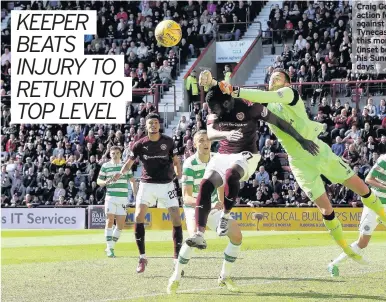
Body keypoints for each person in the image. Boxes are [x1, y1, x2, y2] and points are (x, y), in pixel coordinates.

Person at [213, 68, 386, 263]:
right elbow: (241, 105)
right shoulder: (266, 104)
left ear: (287, 83)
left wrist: (235, 89)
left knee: (362, 189)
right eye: (271, 78)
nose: (273, 79)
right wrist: (220, 88)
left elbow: (260, 94)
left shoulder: (289, 94)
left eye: (278, 77)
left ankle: (385, 218)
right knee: (326, 210)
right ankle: (347, 249)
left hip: (317, 151)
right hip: (298, 162)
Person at [186, 70, 319, 250]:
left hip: (247, 153)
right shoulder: (214, 108)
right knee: (205, 184)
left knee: (232, 174)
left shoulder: (251, 107)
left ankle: (224, 217)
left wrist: (302, 139)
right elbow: (210, 133)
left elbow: (280, 122)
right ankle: (199, 234)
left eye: (219, 109)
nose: (217, 113)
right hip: (224, 153)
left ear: (228, 101)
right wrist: (225, 133)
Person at [329, 133, 386, 278]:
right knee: (363, 243)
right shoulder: (385, 159)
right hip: (374, 203)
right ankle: (334, 263)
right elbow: (368, 179)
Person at [168, 130, 242, 294]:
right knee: (194, 237)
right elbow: (186, 197)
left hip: (213, 208)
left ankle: (224, 277)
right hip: (194, 208)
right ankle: (176, 276)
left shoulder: (217, 159)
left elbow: (221, 183)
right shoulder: (189, 164)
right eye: (201, 140)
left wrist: (220, 200)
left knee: (236, 235)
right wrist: (206, 203)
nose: (205, 143)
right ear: (194, 144)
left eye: (208, 140)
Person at [112, 113, 182, 273]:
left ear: (159, 125)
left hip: (167, 184)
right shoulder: (139, 144)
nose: (153, 125)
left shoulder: (169, 142)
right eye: (151, 123)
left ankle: (177, 259)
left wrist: (180, 174)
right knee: (138, 217)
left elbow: (176, 161)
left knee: (177, 219)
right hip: (147, 185)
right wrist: (120, 174)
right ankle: (142, 257)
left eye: (156, 123)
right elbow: (129, 162)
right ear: (146, 126)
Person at [97, 146, 137, 258]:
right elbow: (99, 181)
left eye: (117, 153)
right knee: (109, 221)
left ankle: (110, 246)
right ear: (110, 154)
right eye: (113, 153)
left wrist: (135, 194)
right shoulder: (105, 166)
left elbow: (132, 181)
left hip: (123, 198)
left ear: (120, 154)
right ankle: (110, 248)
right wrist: (105, 182)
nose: (115, 155)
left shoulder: (125, 166)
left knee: (120, 226)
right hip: (110, 197)